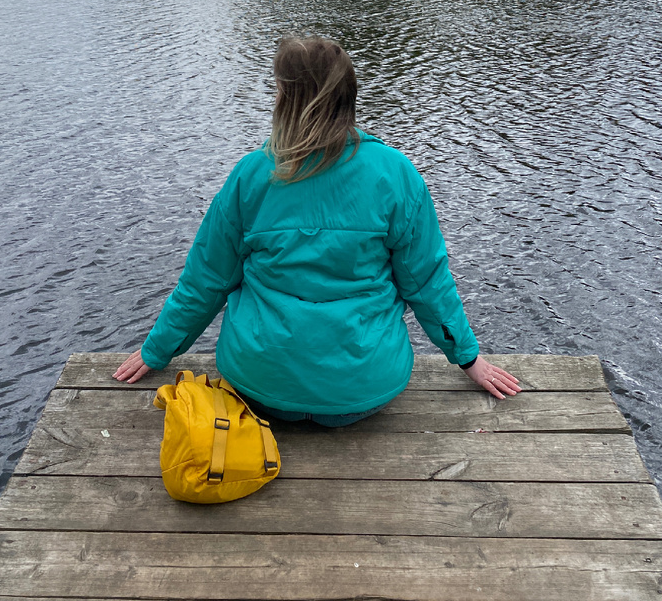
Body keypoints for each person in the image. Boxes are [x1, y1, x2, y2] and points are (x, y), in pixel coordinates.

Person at [114, 36, 520, 423]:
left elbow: (206, 281)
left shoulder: (252, 175)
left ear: (290, 101)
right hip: (361, 393)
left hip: (260, 389)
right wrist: (469, 359)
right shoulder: (396, 174)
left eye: (277, 90)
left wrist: (156, 352)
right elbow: (427, 285)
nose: (273, 99)